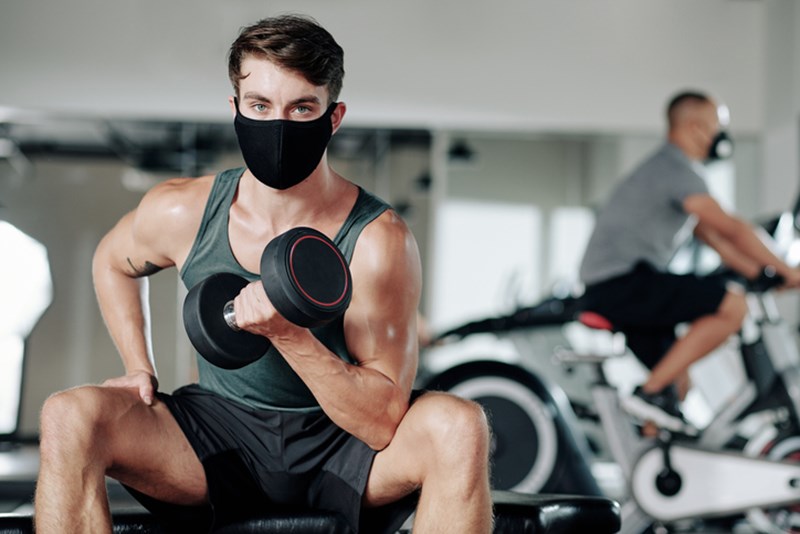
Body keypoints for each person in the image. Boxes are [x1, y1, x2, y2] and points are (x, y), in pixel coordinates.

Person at [33, 14, 492, 534]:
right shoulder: (183, 211)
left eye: (302, 108)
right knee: (69, 415)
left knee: (460, 425)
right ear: (235, 109)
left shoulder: (377, 238)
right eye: (260, 106)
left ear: (333, 116)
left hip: (342, 447)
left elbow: (382, 420)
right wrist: (139, 365)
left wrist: (288, 335)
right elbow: (112, 261)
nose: (279, 125)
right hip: (215, 436)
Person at [578, 90, 800, 434]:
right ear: (697, 127)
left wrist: (762, 273)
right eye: (718, 126)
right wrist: (787, 271)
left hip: (618, 285)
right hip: (622, 283)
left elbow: (713, 237)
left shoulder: (670, 171)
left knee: (679, 384)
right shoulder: (675, 169)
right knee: (733, 308)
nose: (721, 135)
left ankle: (651, 464)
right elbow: (731, 227)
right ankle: (648, 394)